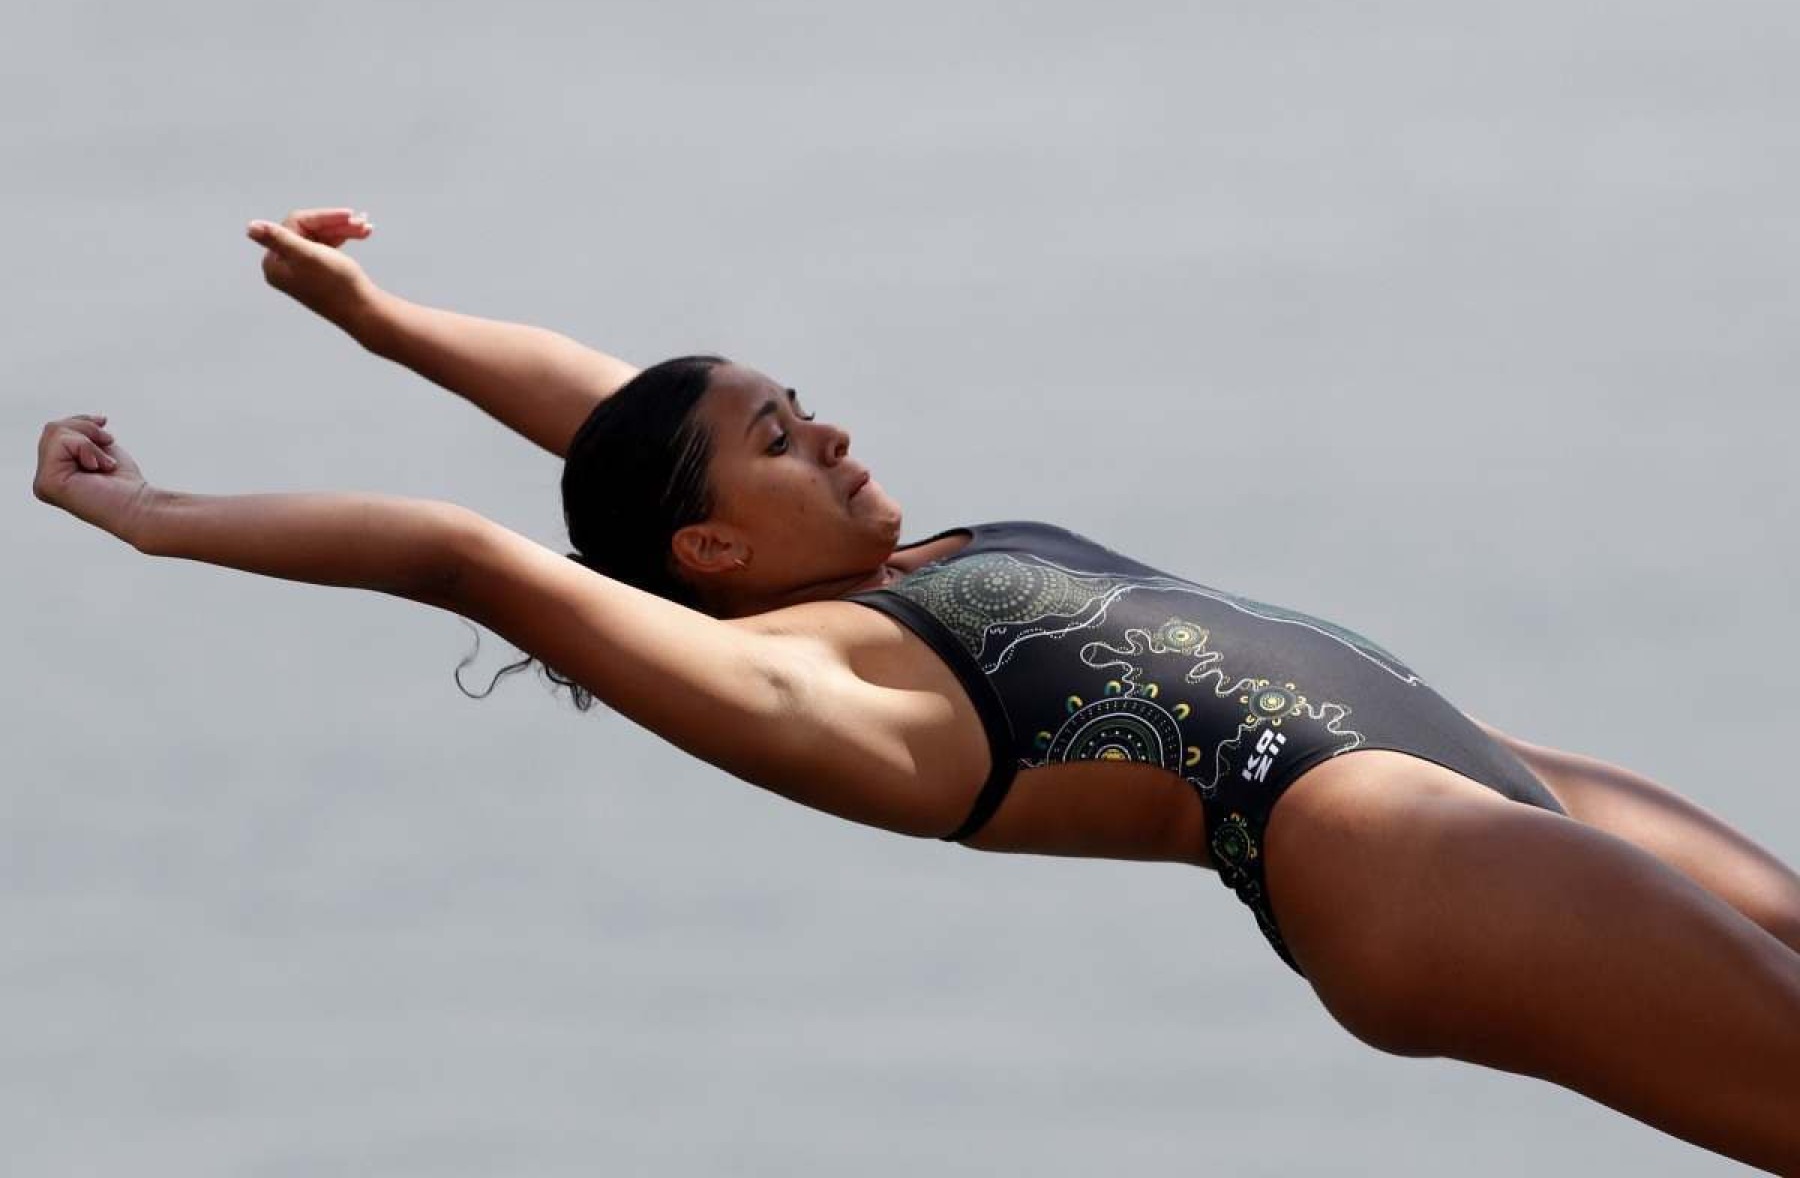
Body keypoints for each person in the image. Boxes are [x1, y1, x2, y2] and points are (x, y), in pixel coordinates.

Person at [32, 207, 1800, 1174]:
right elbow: (462, 549)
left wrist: (381, 316)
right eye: (784, 441)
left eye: (799, 405)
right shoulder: (807, 677)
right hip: (1384, 842)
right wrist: (139, 512)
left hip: (1481, 776)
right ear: (711, 552)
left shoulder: (864, 562)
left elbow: (612, 414)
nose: (834, 431)